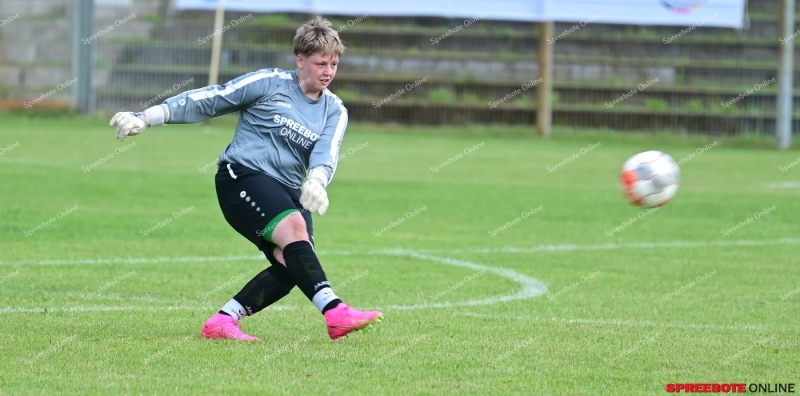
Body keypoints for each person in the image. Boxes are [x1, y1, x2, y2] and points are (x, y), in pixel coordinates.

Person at [109, 17, 382, 341]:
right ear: (300, 60)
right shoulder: (269, 83)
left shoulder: (335, 109)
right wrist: (146, 117)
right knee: (295, 232)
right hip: (242, 177)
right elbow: (212, 99)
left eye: (334, 64)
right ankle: (335, 312)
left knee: (295, 261)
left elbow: (327, 153)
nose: (328, 71)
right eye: (321, 63)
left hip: (289, 191)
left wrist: (318, 181)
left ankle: (223, 321)